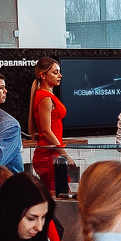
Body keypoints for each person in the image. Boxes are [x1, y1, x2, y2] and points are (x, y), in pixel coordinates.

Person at [28, 56, 70, 195]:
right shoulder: (45, 97)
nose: (60, 76)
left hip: (51, 153)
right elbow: (46, 131)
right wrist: (65, 155)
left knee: (59, 194)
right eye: (55, 72)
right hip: (49, 155)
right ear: (43, 75)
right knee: (59, 196)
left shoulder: (45, 95)